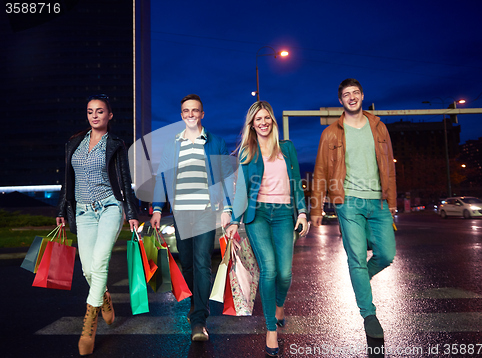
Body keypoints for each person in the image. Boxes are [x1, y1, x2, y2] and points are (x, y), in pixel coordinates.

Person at [310, 78, 396, 339]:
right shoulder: (331, 133)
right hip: (348, 201)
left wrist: (391, 201)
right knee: (357, 258)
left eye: (355, 93)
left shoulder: (379, 127)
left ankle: (360, 282)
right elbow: (321, 170)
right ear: (340, 100)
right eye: (346, 94)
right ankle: (369, 315)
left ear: (362, 96)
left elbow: (389, 168)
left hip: (378, 200)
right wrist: (316, 209)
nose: (351, 97)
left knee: (386, 254)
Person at [56, 94, 139, 356]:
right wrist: (61, 209)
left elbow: (125, 181)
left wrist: (132, 211)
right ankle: (103, 298)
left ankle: (89, 327)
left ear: (109, 116)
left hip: (109, 208)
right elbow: (67, 181)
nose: (94, 115)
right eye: (90, 111)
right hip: (82, 212)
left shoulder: (116, 144)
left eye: (100, 111)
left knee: (100, 261)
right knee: (88, 270)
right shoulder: (74, 143)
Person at [226, 101, 308, 356]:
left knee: (285, 273)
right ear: (252, 124)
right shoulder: (247, 152)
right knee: (269, 269)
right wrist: (233, 221)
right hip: (257, 216)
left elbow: (296, 184)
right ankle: (271, 328)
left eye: (266, 118)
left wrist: (303, 212)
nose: (263, 122)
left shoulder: (287, 148)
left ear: (272, 121)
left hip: (284, 215)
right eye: (257, 119)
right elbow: (241, 193)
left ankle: (279, 305)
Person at [151, 94, 234, 341]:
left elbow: (227, 177)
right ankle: (196, 304)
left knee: (201, 263)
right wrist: (157, 208)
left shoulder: (216, 143)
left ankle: (199, 319)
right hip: (181, 213)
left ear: (202, 114)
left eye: (195, 110)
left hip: (206, 212)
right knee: (187, 262)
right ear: (181, 115)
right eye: (186, 111)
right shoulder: (172, 145)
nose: (190, 114)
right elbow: (162, 178)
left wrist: (227, 209)